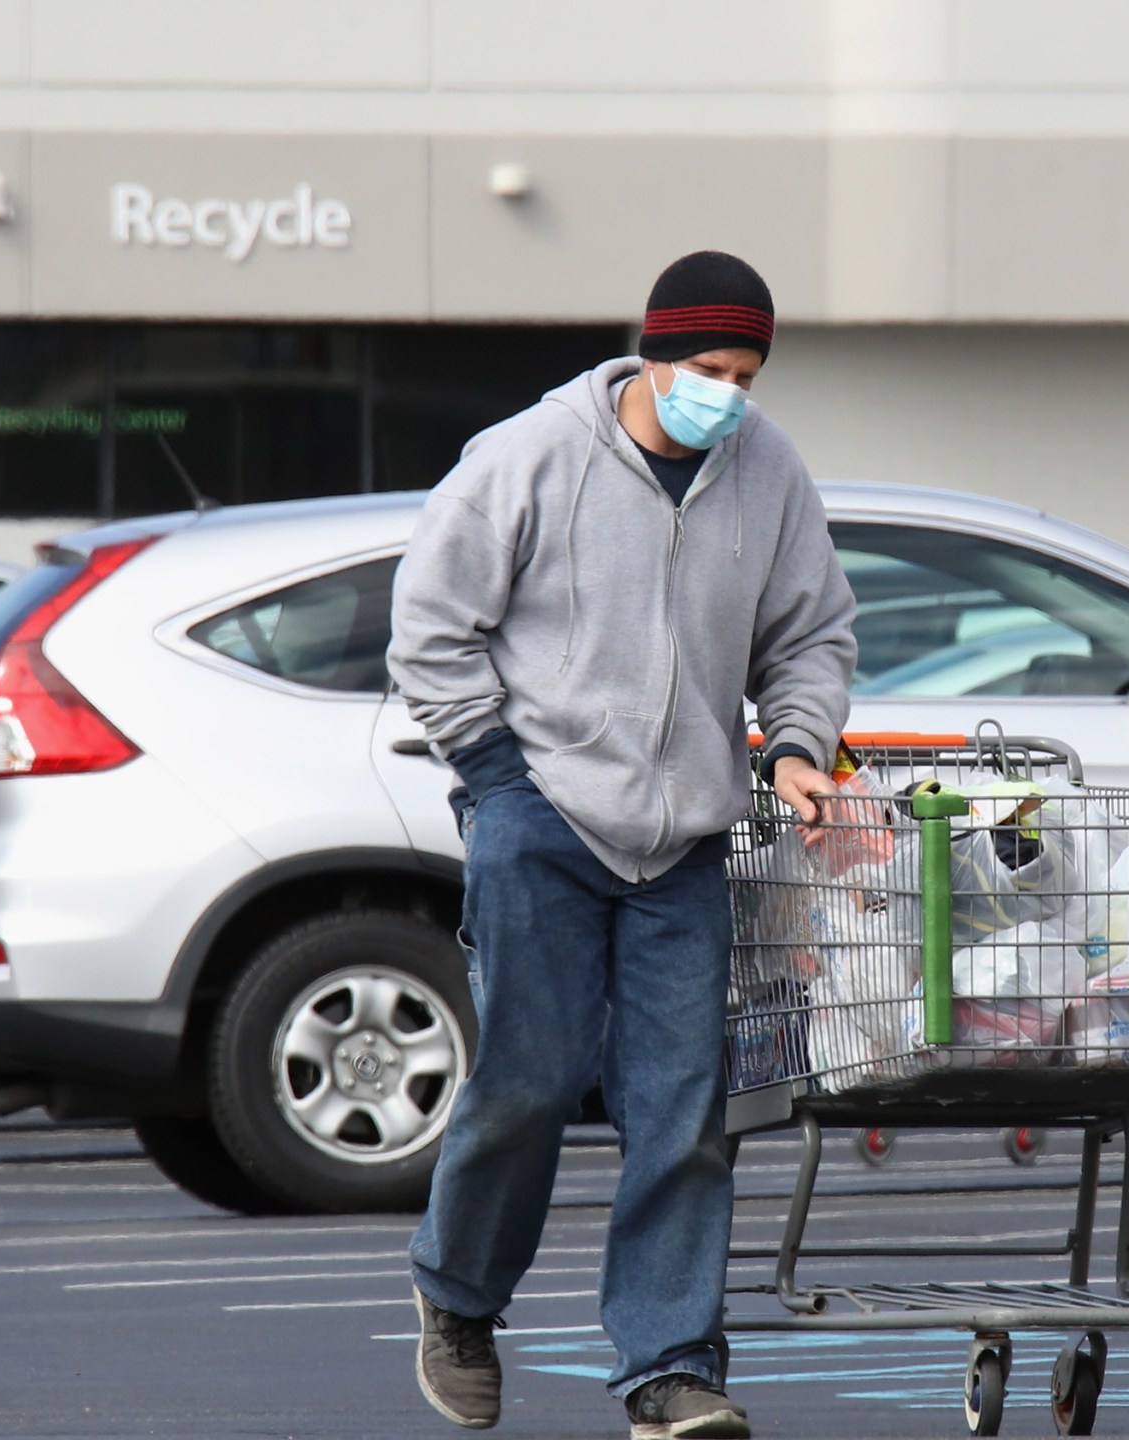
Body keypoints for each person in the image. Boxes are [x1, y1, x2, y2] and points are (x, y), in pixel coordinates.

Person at [387, 250, 855, 1437]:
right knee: (530, 1083)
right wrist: (496, 776)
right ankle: (458, 1298)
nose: (730, 394)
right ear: (651, 356)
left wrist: (795, 745)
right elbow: (431, 629)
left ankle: (669, 1370)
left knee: (682, 1112)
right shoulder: (528, 456)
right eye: (709, 368)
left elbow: (810, 634)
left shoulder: (768, 470)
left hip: (684, 843)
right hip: (538, 813)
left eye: (747, 372)